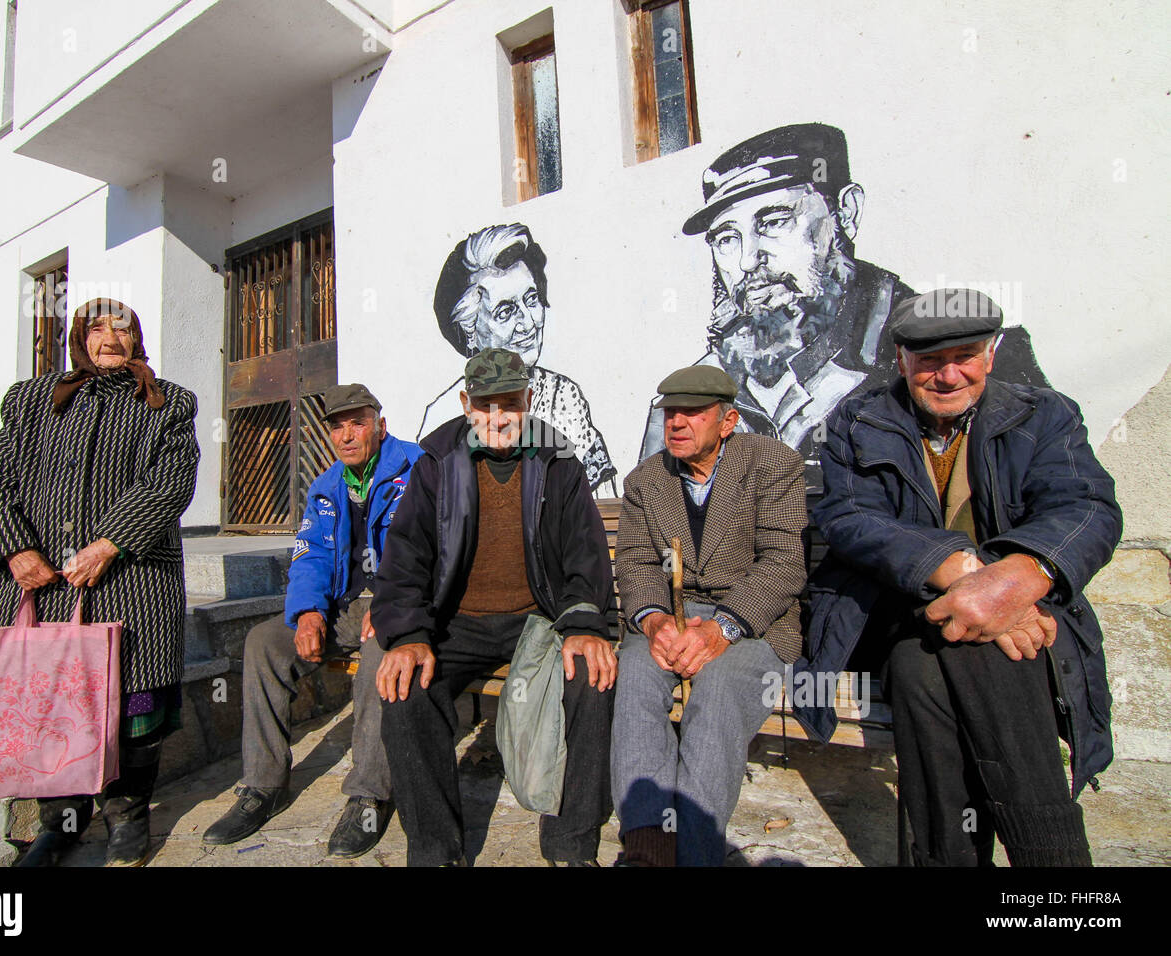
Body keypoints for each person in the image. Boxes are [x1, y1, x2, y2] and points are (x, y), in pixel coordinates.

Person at [798, 289, 1122, 866]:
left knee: (930, 669)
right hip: (890, 612)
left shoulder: (1045, 414)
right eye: (928, 361)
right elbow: (849, 517)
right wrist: (971, 577)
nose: (948, 375)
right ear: (900, 360)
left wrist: (1022, 576)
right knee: (983, 649)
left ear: (991, 354)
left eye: (965, 356)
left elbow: (1086, 507)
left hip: (950, 638)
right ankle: (1056, 867)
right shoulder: (857, 420)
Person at [639, 123, 1048, 492]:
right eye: (727, 239)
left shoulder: (953, 358)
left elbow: (1050, 500)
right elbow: (655, 515)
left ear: (846, 214)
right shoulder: (690, 392)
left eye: (775, 222)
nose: (748, 261)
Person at [0, 297, 200, 867]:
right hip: (43, 586)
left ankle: (127, 817)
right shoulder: (32, 399)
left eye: (122, 329)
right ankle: (61, 822)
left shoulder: (167, 402)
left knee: (137, 707)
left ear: (137, 339)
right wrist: (15, 549)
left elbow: (172, 482)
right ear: (79, 337)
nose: (110, 338)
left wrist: (109, 543)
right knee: (52, 706)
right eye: (96, 328)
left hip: (134, 584)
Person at [374, 347, 617, 866]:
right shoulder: (437, 463)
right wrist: (410, 635)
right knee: (405, 689)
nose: (497, 417)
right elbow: (404, 559)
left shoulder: (558, 462)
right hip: (457, 623)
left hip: (540, 621)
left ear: (527, 401)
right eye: (485, 405)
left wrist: (582, 624)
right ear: (466, 405)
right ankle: (437, 850)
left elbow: (585, 554)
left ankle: (571, 845)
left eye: (509, 403)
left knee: (593, 679)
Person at [202, 384, 421, 858]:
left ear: (380, 426)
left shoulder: (419, 470)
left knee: (381, 653)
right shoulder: (326, 487)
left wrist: (392, 606)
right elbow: (311, 556)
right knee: (263, 642)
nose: (346, 435)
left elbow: (432, 550)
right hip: (346, 608)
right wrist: (307, 614)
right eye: (337, 426)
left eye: (357, 422)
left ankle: (370, 794)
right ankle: (264, 784)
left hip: (403, 605)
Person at [614, 365, 807, 866]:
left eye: (692, 413)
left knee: (717, 693)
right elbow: (635, 562)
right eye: (670, 413)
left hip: (752, 618)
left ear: (728, 421)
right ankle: (649, 846)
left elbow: (784, 563)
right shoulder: (646, 480)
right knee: (634, 672)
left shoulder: (772, 465)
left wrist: (722, 627)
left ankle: (698, 855)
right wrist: (655, 622)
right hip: (673, 620)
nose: (676, 423)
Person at [419, 223, 617, 494]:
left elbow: (600, 503)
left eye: (532, 299)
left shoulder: (564, 396)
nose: (528, 322)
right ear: (470, 331)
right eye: (505, 311)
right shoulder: (441, 416)